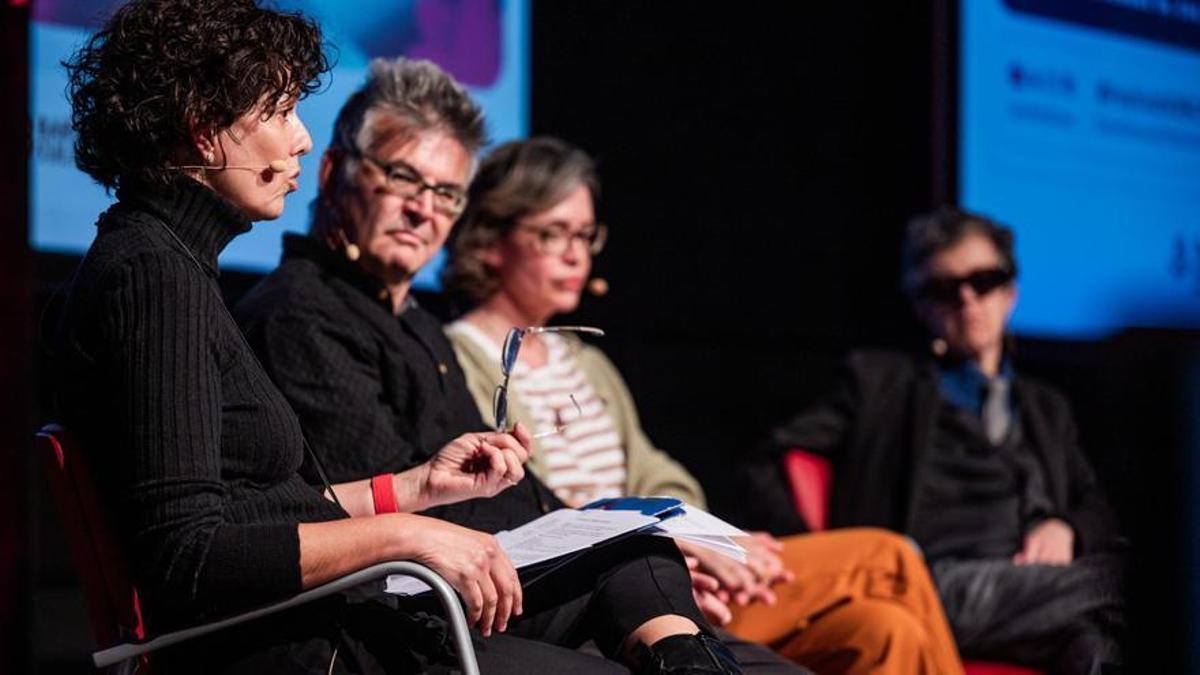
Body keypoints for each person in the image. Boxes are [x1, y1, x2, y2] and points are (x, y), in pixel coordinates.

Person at [51, 2, 635, 672]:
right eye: (279, 112)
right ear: (206, 130)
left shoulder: (174, 265)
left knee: (633, 578)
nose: (301, 139)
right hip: (286, 647)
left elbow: (264, 510)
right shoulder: (152, 275)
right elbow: (189, 555)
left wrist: (416, 489)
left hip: (307, 627)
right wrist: (407, 533)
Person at [235, 57, 798, 674]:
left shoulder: (413, 323)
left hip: (486, 587)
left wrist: (600, 529)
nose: (425, 210)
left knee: (670, 582)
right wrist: (586, 537)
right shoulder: (301, 312)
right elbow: (388, 503)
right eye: (403, 179)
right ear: (336, 170)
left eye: (446, 193)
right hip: (407, 607)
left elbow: (507, 485)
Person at [440, 136, 964, 675]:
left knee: (886, 630)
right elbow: (525, 503)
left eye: (584, 234)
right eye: (553, 234)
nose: (576, 253)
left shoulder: (587, 363)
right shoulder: (460, 358)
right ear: (490, 241)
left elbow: (656, 469)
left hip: (673, 559)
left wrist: (693, 537)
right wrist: (663, 544)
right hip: (603, 584)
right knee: (890, 559)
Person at [747, 207, 1125, 674]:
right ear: (922, 307)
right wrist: (820, 559)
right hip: (931, 581)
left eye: (983, 280)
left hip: (1035, 585)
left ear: (1010, 293)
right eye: (944, 290)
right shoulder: (881, 384)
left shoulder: (1046, 406)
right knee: (1126, 586)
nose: (967, 300)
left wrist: (1068, 528)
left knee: (1094, 644)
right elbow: (767, 461)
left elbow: (1094, 502)